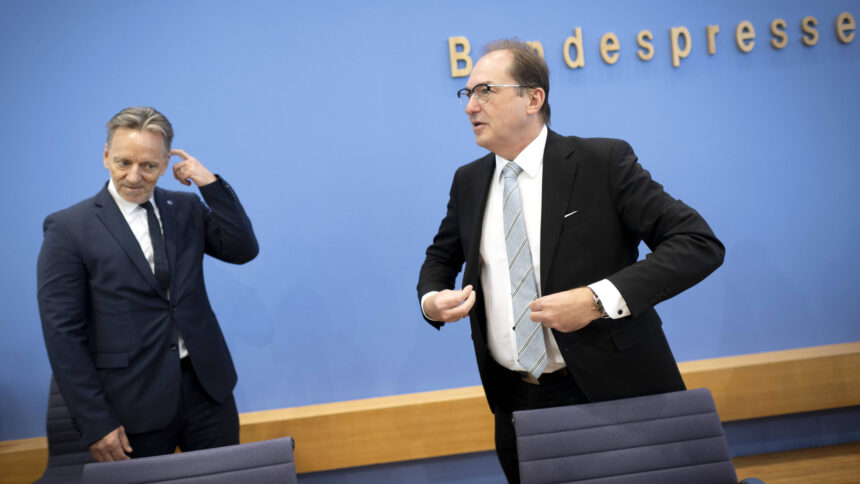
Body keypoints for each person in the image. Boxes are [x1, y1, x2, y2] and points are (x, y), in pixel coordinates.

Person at [417, 39, 725, 483]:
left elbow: (697, 242)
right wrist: (431, 299)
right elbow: (440, 256)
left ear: (533, 98)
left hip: (612, 394)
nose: (470, 106)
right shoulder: (469, 181)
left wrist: (598, 299)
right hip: (515, 402)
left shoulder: (602, 162)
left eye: (485, 90)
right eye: (467, 94)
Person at [37, 106, 259, 461]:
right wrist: (95, 421)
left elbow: (243, 249)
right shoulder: (68, 228)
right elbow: (63, 334)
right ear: (106, 156)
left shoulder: (186, 208)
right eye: (124, 162)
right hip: (131, 403)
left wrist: (210, 185)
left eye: (149, 166)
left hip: (206, 391)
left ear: (165, 162)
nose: (134, 176)